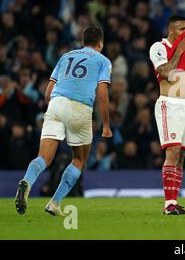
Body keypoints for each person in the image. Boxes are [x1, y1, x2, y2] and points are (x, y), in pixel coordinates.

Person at [15, 26, 113, 216]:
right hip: (80, 108)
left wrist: (57, 109)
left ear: (83, 41)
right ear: (100, 43)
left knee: (44, 157)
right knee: (79, 159)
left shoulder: (66, 56)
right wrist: (106, 125)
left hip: (56, 103)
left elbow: (48, 93)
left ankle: (26, 181)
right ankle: (55, 203)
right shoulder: (103, 61)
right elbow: (102, 93)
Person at [149, 15, 185, 215]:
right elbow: (164, 72)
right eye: (182, 29)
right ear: (171, 31)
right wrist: (179, 51)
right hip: (168, 104)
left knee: (181, 156)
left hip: (184, 105)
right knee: (171, 152)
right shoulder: (159, 47)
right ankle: (168, 204)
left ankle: (173, 201)